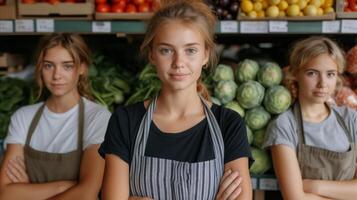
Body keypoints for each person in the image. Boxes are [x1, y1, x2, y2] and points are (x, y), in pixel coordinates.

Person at [99, 1, 253, 200]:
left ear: (205, 55)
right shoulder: (125, 121)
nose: (179, 63)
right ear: (152, 54)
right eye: (166, 50)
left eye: (190, 50)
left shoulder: (229, 125)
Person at [0, 33, 111, 200]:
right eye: (48, 66)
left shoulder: (97, 117)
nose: (57, 75)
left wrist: (28, 191)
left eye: (67, 66)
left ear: (82, 68)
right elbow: (5, 193)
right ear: (40, 68)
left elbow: (87, 194)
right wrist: (66, 185)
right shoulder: (23, 117)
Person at [263, 36, 357, 200]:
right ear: (295, 74)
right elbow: (295, 198)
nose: (322, 83)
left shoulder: (351, 119)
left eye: (330, 74)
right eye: (312, 73)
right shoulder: (284, 125)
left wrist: (313, 185)